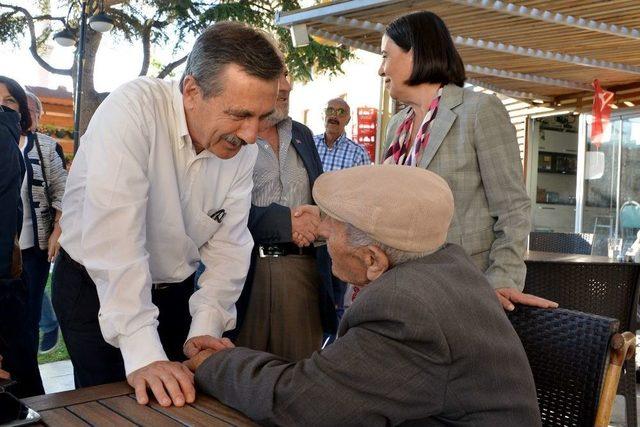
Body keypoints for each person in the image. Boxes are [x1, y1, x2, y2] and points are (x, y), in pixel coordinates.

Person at [184, 165, 542, 426]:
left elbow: (301, 403)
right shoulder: (448, 265)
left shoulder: (404, 310)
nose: (323, 233)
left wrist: (211, 364)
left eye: (333, 226)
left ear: (373, 259)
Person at [52, 21, 283, 407]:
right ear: (191, 91)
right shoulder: (132, 111)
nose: (251, 135)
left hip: (172, 292)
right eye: (240, 114)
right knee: (112, 407)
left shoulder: (243, 149)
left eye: (263, 117)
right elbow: (115, 242)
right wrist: (144, 354)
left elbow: (229, 245)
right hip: (94, 287)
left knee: (178, 401)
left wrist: (206, 327)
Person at [379, 11, 556, 311]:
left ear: (416, 54)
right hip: (402, 289)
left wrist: (501, 281)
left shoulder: (479, 111)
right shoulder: (396, 126)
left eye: (385, 56)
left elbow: (513, 209)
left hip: (465, 294)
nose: (381, 69)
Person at [231, 64, 337, 361]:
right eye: (277, 77)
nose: (287, 87)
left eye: (288, 77)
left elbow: (318, 195)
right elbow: (221, 212)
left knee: (299, 373)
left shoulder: (301, 134)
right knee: (244, 372)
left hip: (303, 273)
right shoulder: (233, 135)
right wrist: (285, 222)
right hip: (250, 274)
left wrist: (313, 220)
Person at [0, 94, 44, 398]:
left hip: (27, 253)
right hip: (5, 269)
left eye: (9, 101)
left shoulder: (43, 147)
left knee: (27, 326)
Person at [19, 90, 66, 355]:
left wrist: (57, 230)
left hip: (33, 248)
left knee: (27, 315)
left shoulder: (47, 146)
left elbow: (63, 191)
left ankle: (27, 383)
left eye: (30, 109)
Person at [313, 97, 370, 172]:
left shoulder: (358, 153)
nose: (334, 116)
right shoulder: (310, 144)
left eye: (341, 112)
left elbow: (364, 182)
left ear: (348, 120)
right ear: (323, 115)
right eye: (330, 111)